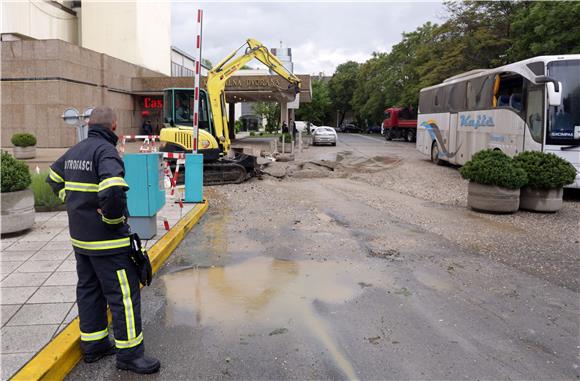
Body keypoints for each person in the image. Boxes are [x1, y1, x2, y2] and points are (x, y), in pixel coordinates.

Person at [46, 107, 160, 374]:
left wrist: (71, 201)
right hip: (108, 245)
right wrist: (111, 221)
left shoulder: (76, 151)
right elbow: (113, 192)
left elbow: (53, 179)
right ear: (113, 126)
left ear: (90, 125)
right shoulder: (106, 152)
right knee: (124, 296)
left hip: (82, 242)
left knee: (89, 291)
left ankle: (95, 345)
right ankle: (130, 355)